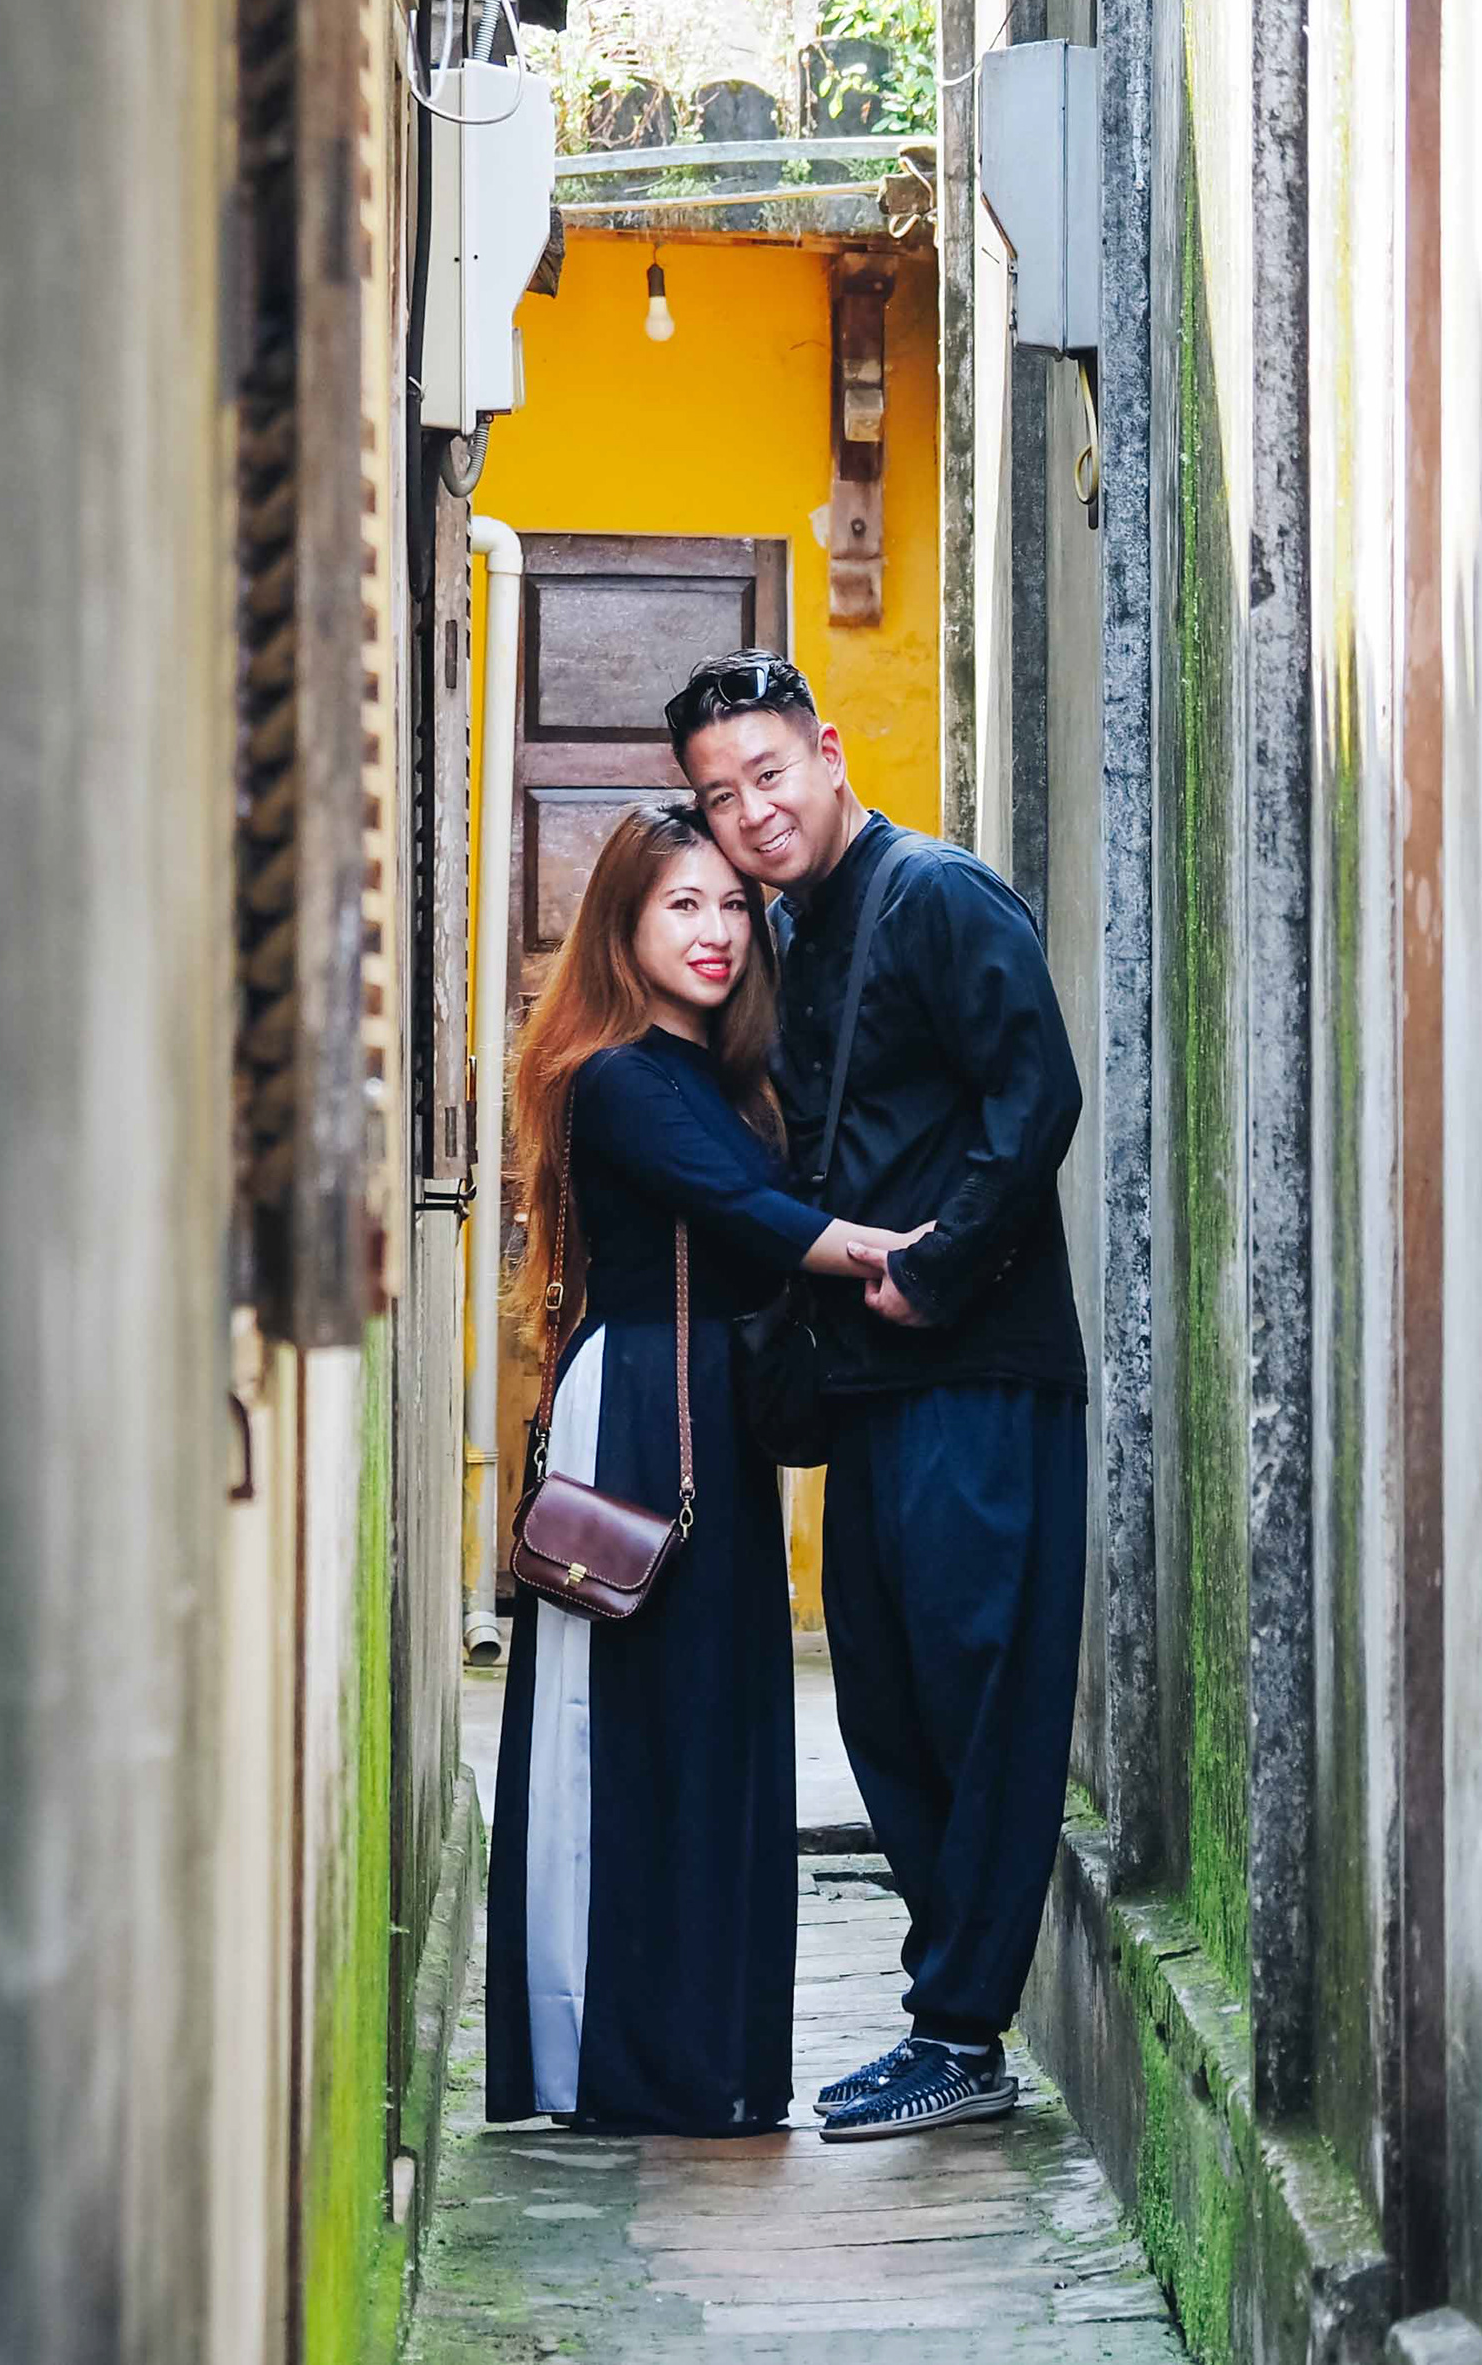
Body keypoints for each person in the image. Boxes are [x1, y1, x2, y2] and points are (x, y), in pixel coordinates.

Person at [664, 648, 1089, 2143]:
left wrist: (940, 1265)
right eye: (720, 796)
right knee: (888, 1710)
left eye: (769, 773)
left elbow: (1038, 1096)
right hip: (869, 1388)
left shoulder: (938, 896)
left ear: (829, 752)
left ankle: (961, 2033)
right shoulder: (788, 932)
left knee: (982, 1699)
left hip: (977, 1373)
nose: (753, 812)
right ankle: (944, 2023)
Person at [481, 800, 923, 2136]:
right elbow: (758, 1217)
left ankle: (716, 2062)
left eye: (734, 905)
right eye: (683, 904)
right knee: (627, 1729)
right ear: (622, 924)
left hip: (709, 1417)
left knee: (722, 1731)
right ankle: (612, 2060)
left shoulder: (733, 1078)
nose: (718, 929)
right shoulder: (617, 1076)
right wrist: (917, 1254)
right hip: (638, 1415)